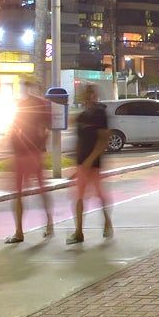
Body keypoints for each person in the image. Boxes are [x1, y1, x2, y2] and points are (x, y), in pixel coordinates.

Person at [5, 82, 53, 244]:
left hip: (25, 153)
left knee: (20, 193)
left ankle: (20, 231)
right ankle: (48, 224)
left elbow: (42, 130)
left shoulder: (29, 105)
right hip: (29, 153)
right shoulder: (37, 105)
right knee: (39, 190)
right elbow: (45, 130)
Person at [68, 85, 113, 244]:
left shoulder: (100, 114)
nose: (88, 97)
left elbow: (103, 140)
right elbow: (79, 141)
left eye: (91, 94)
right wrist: (78, 164)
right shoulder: (81, 116)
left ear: (95, 96)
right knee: (79, 197)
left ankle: (107, 222)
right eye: (86, 94)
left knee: (100, 195)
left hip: (94, 163)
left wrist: (90, 159)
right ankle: (78, 231)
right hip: (82, 163)